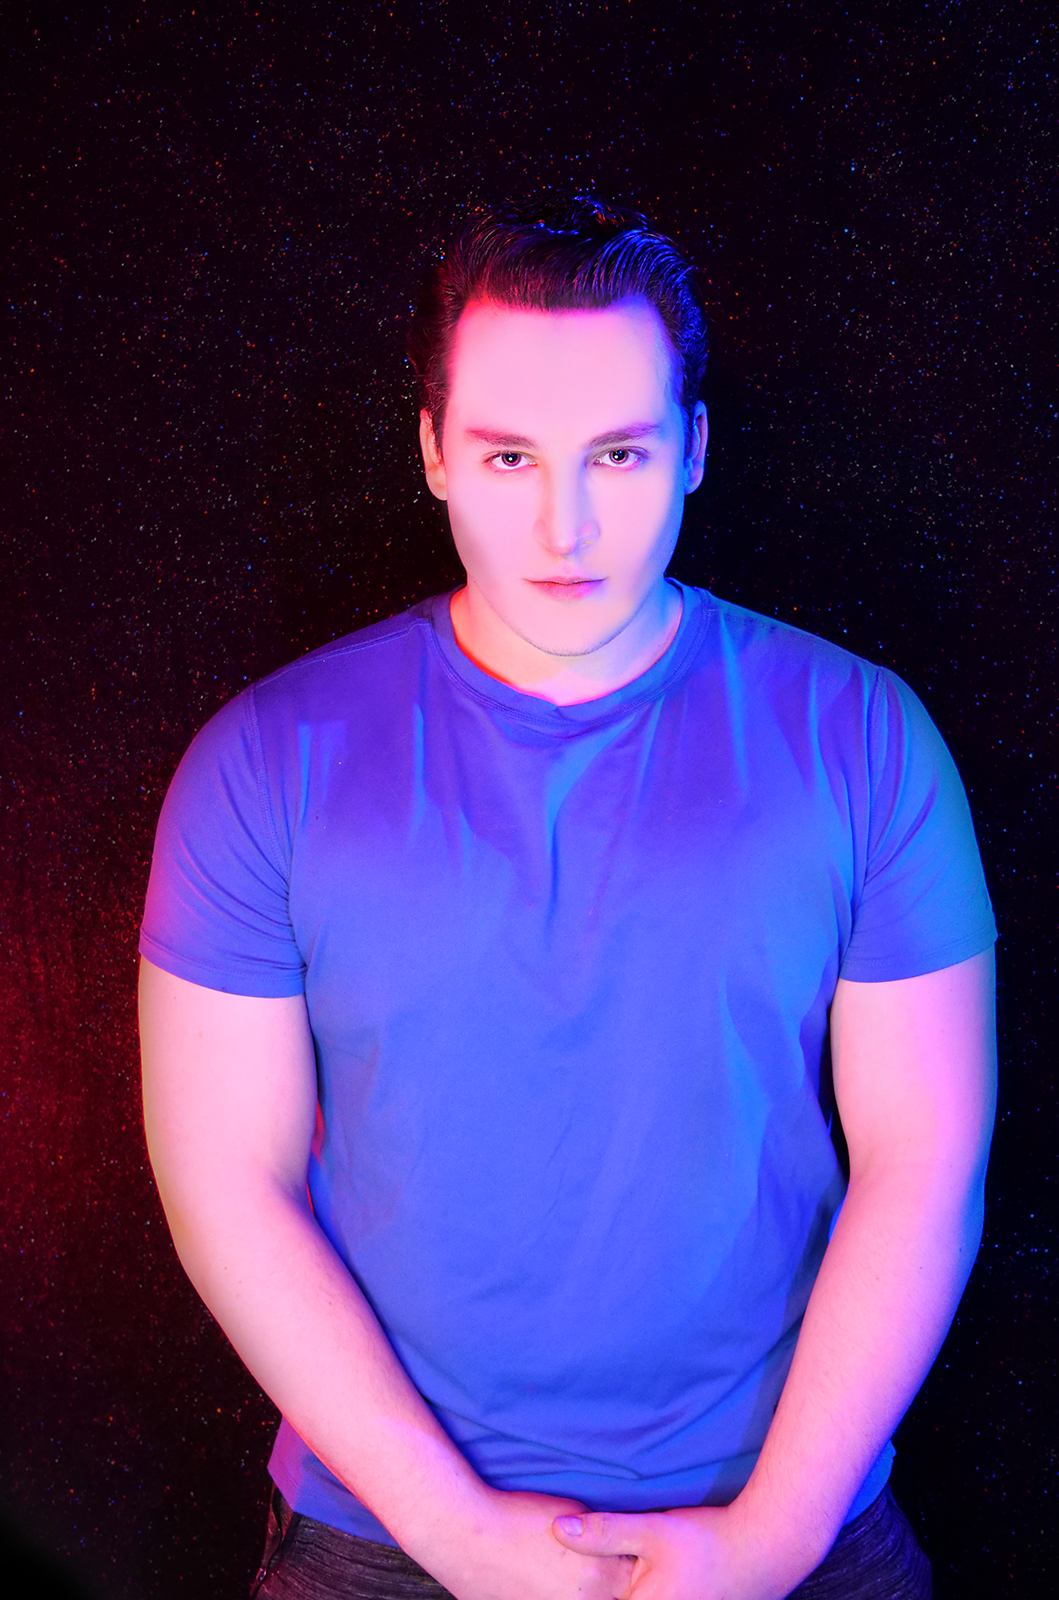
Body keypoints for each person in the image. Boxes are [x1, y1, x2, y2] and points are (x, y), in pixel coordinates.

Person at [138, 196, 997, 1600]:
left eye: (618, 453)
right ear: (433, 453)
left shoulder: (865, 737)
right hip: (384, 1535)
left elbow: (924, 1161)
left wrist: (772, 1538)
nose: (565, 521)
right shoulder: (264, 764)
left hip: (796, 1512)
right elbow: (226, 1181)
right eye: (508, 456)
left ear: (694, 448)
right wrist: (461, 1538)